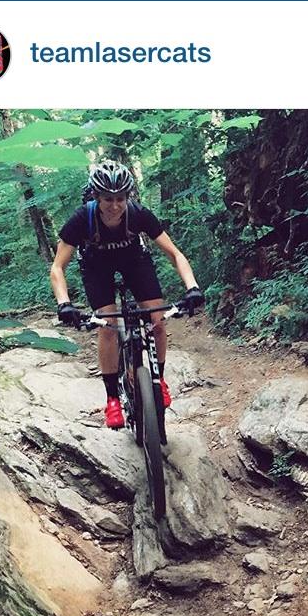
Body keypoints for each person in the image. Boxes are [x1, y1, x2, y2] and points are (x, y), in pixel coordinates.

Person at [50, 160, 203, 429]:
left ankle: (159, 379)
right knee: (108, 326)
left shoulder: (139, 214)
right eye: (108, 199)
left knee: (158, 319)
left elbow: (174, 253)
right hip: (97, 266)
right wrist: (64, 303)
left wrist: (192, 287)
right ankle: (112, 398)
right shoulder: (80, 219)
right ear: (96, 197)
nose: (115, 206)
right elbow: (57, 268)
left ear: (128, 196)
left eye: (120, 198)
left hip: (134, 261)